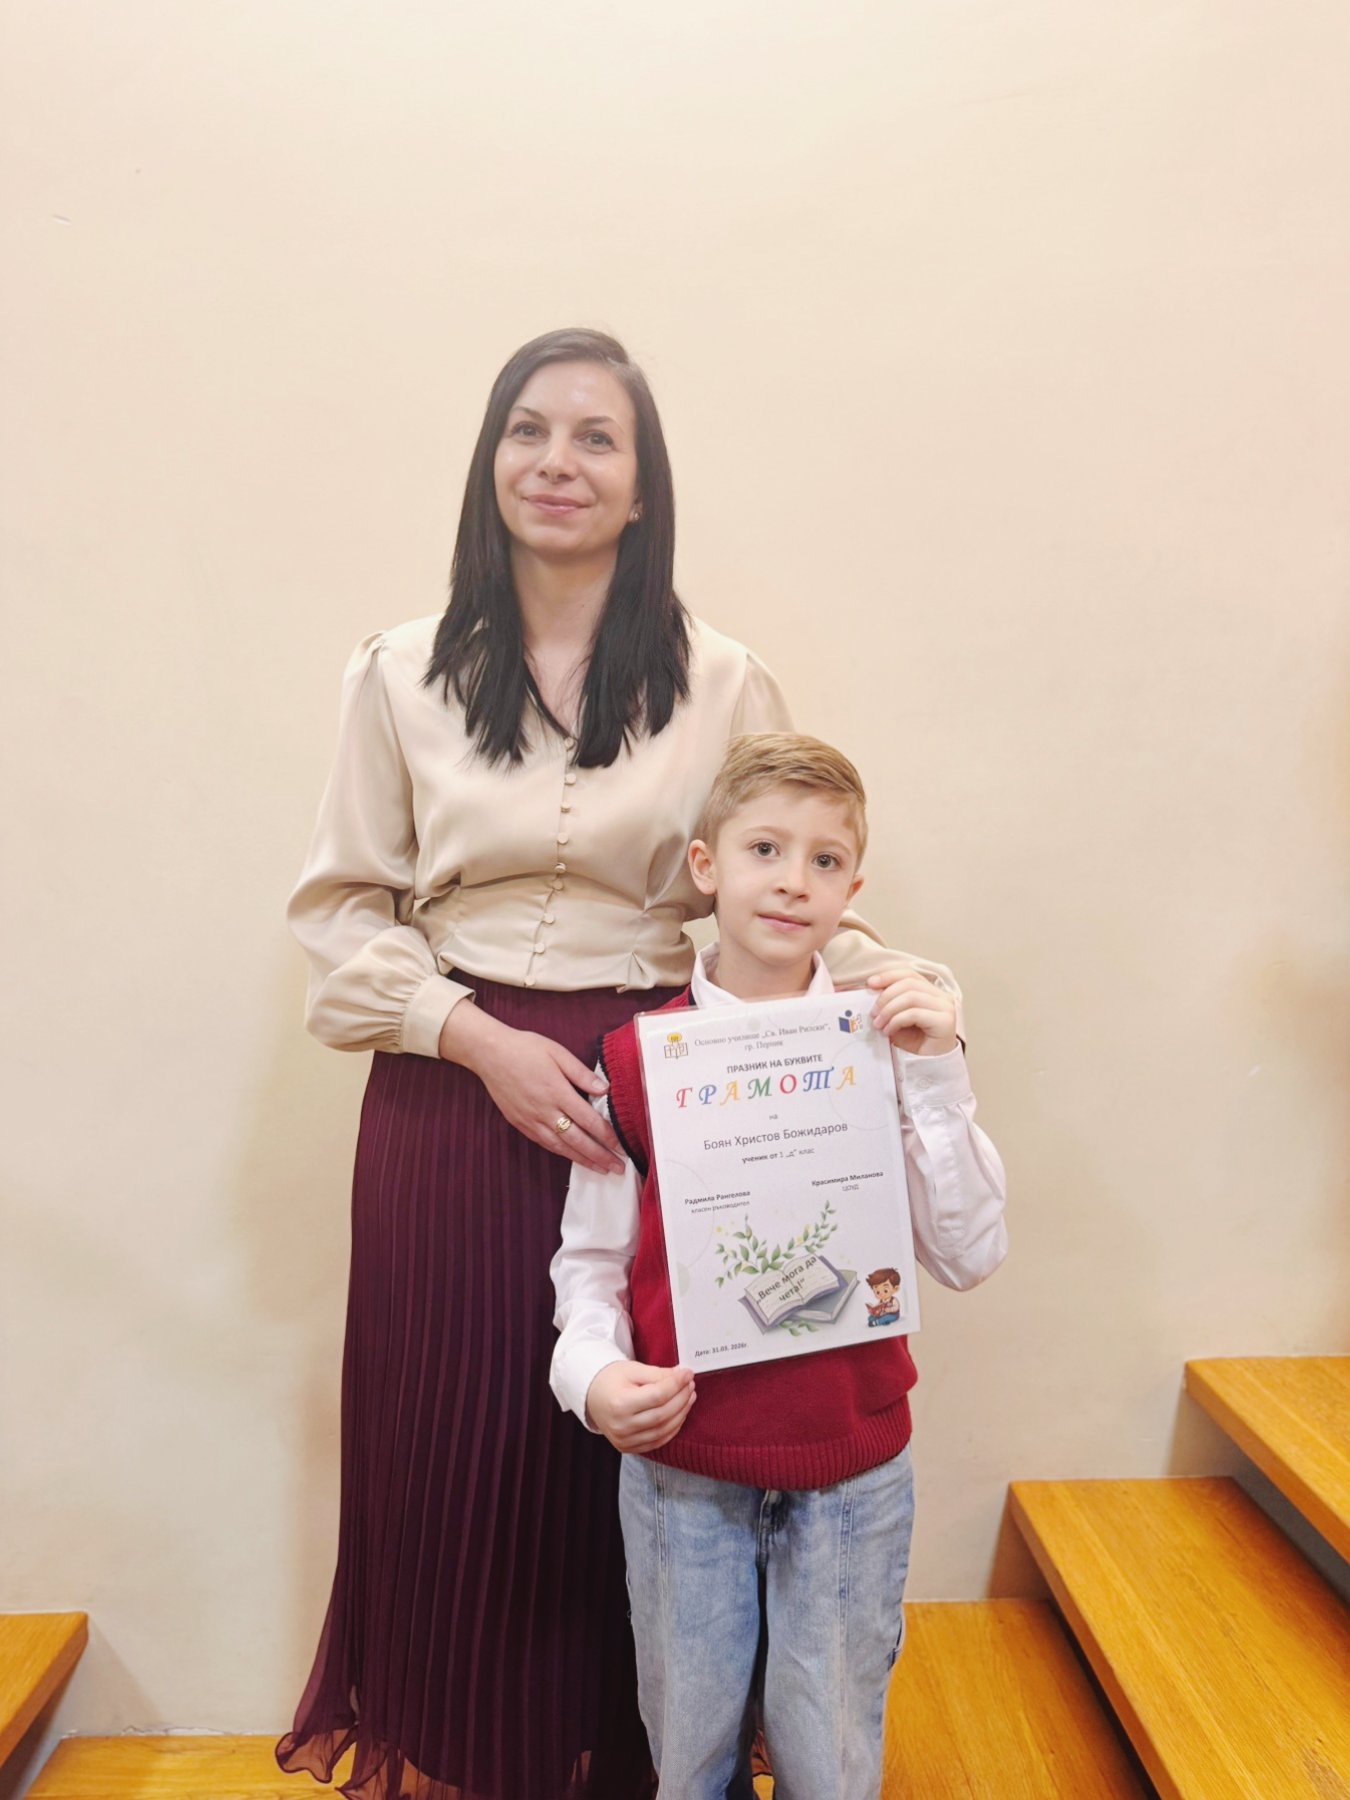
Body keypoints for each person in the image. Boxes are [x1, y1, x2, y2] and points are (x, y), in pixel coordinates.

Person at [278, 330, 956, 1800]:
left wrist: (905, 990)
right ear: (490, 462)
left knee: (650, 1455)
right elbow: (336, 915)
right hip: (451, 1097)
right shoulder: (396, 671)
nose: (557, 464)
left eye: (597, 440)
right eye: (528, 431)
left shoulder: (724, 679)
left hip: (668, 1096)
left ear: (644, 488)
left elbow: (779, 880)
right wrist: (479, 1041)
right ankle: (475, 1759)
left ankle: (644, 1767)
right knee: (458, 1453)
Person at [550, 733, 1008, 1800]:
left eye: (825, 859)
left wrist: (937, 1077)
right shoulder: (634, 1063)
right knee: (689, 1756)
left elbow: (970, 1253)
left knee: (831, 1757)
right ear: (707, 867)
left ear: (853, 890)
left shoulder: (891, 1050)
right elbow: (592, 1262)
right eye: (765, 849)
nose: (794, 881)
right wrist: (592, 1378)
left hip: (851, 1476)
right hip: (684, 1471)